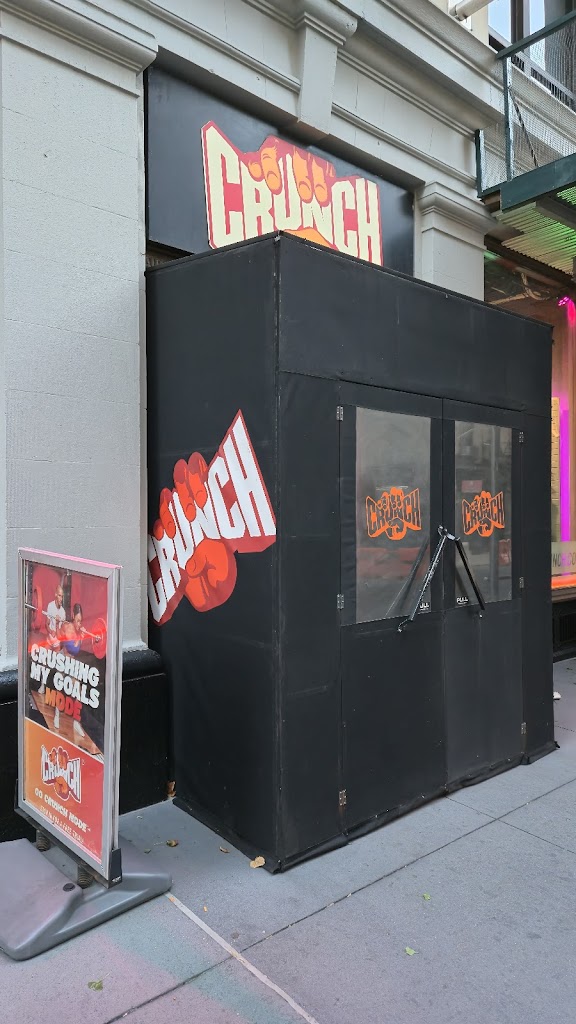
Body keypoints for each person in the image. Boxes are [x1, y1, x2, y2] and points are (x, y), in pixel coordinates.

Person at [54, 603, 86, 738]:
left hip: (71, 662)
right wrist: (57, 624)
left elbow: (76, 652)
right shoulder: (67, 627)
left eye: (81, 621)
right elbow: (72, 648)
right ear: (73, 616)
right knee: (59, 689)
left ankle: (76, 723)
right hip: (63, 660)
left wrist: (83, 636)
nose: (79, 624)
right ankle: (56, 716)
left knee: (78, 690)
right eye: (77, 620)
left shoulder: (78, 631)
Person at [39, 585, 66, 694]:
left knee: (60, 667)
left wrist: (58, 624)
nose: (61, 598)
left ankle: (59, 692)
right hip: (49, 640)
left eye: (62, 596)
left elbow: (60, 634)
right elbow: (46, 624)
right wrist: (51, 631)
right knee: (45, 663)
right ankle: (42, 686)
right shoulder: (50, 606)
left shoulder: (63, 612)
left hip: (57, 643)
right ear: (55, 595)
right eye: (59, 595)